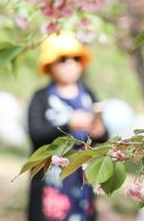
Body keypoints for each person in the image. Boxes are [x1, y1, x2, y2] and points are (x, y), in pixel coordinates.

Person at [28, 31, 108, 221]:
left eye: (76, 58)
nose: (71, 64)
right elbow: (35, 134)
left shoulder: (88, 94)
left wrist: (100, 132)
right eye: (63, 59)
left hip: (81, 182)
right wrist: (68, 124)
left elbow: (103, 137)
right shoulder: (41, 97)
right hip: (51, 183)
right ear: (50, 65)